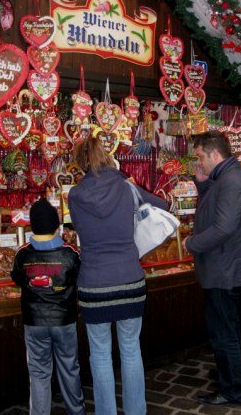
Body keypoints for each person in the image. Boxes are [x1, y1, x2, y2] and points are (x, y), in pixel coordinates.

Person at [68, 136, 167, 415]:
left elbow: (79, 228)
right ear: (108, 157)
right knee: (131, 350)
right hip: (129, 278)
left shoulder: (75, 195)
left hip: (94, 282)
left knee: (99, 354)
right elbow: (163, 206)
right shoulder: (127, 188)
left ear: (81, 163)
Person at [183, 130, 241, 406]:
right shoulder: (227, 177)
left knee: (224, 334)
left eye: (200, 156)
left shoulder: (232, 180)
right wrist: (202, 185)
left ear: (215, 153)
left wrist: (192, 243)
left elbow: (224, 227)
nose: (198, 162)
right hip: (226, 268)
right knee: (226, 331)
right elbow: (218, 210)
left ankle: (232, 390)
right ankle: (229, 377)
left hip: (226, 271)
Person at [10, 198, 85, 415]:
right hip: (64, 321)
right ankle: (76, 412)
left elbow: (16, 279)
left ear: (32, 225)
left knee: (39, 373)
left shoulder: (22, 253)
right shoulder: (70, 253)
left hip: (34, 322)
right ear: (55, 225)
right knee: (70, 369)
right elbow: (79, 278)